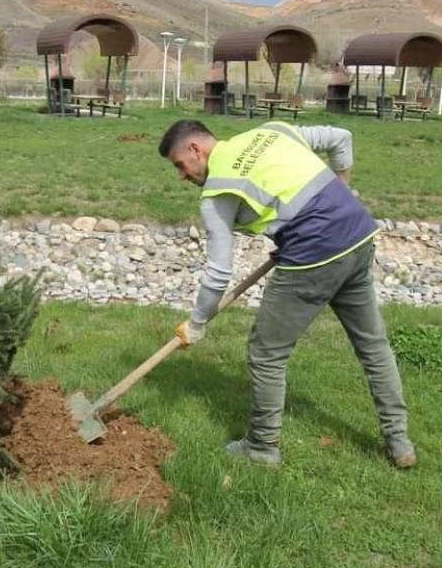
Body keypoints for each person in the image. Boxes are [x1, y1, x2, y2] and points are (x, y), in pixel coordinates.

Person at [158, 119, 416, 469]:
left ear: (196, 150)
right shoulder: (271, 132)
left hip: (315, 254)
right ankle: (399, 443)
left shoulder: (217, 191)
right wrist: (341, 190)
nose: (181, 176)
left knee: (266, 353)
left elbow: (219, 273)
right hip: (356, 233)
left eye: (179, 165)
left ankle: (262, 447)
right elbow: (341, 138)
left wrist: (198, 322)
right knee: (373, 344)